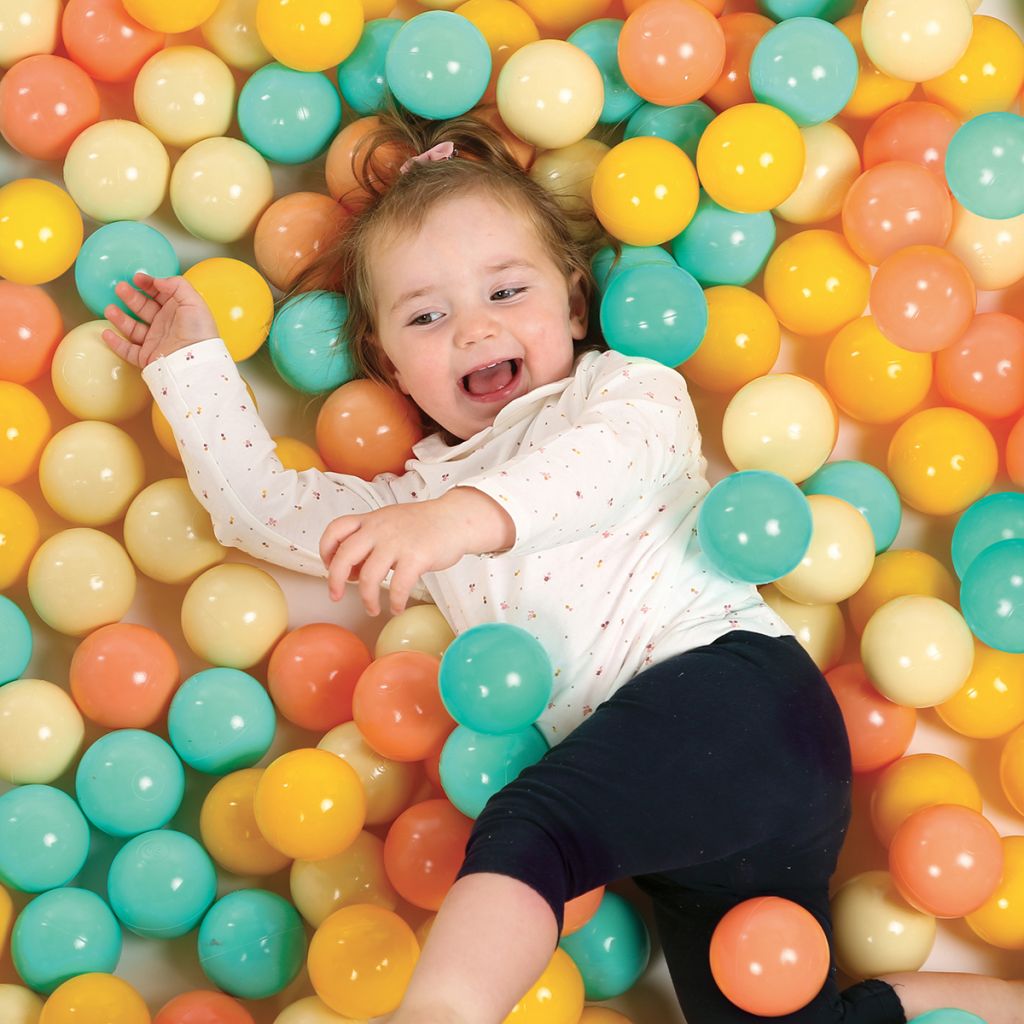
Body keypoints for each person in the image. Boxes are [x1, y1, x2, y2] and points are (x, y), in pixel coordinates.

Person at [103, 105, 1022, 1024]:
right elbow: (264, 514)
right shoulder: (413, 507)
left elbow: (597, 473)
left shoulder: (627, 395)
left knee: (530, 830)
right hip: (693, 820)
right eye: (427, 315)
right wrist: (189, 369)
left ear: (574, 303)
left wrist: (455, 521)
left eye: (507, 293)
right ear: (389, 364)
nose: (471, 328)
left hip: (738, 703)